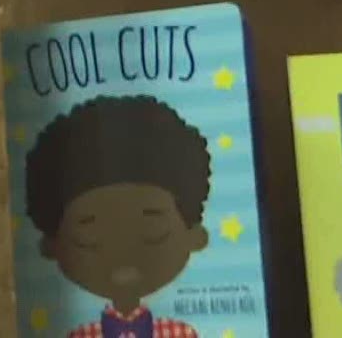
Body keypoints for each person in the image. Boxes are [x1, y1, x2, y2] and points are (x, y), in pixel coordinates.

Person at [22, 95, 212, 338]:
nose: (121, 248)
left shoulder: (181, 334)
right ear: (51, 245)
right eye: (88, 228)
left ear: (195, 235)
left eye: (152, 222)